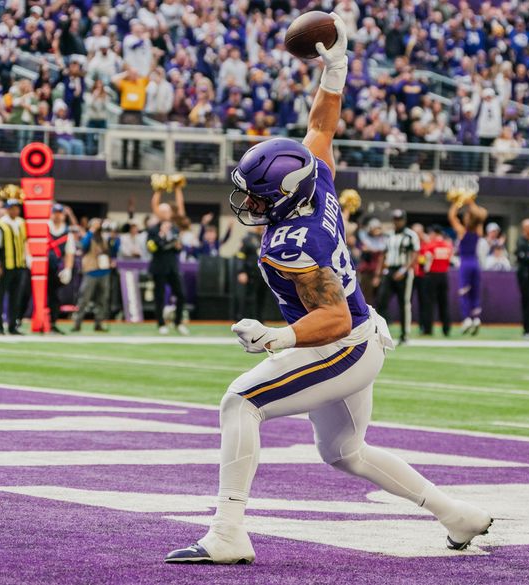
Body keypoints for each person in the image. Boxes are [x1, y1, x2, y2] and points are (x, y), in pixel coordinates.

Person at [166, 14, 491, 565]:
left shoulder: (295, 241)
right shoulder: (313, 178)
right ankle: (456, 514)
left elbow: (332, 319)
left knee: (240, 403)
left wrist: (277, 337)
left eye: (260, 199)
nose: (252, 207)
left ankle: (227, 532)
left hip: (341, 343)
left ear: (285, 198)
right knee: (345, 452)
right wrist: (335, 66)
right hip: (358, 335)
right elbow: (321, 125)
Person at [376, 209, 419, 345]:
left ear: (404, 220)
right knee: (382, 301)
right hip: (390, 270)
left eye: (399, 219)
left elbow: (415, 254)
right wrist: (379, 274)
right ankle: (381, 333)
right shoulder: (388, 235)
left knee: (404, 303)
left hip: (404, 271)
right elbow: (383, 255)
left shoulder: (411, 235)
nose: (397, 221)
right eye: (395, 219)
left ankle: (404, 335)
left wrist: (404, 270)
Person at [0, 199, 28, 335]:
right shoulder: (0, 224)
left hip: (19, 265)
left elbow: (25, 242)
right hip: (5, 265)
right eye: (12, 208)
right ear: (7, 209)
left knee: (16, 297)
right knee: (0, 297)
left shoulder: (22, 223)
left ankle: (12, 326)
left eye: (17, 208)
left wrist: (28, 260)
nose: (15, 210)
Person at [147, 203, 187, 335]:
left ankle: (178, 322)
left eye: (167, 211)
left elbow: (178, 248)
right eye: (162, 211)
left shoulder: (174, 228)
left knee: (180, 294)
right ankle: (161, 323)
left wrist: (178, 246)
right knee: (160, 296)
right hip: (159, 267)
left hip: (172, 267)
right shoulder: (153, 229)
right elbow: (151, 248)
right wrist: (162, 235)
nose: (165, 214)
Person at [448, 198, 487, 335]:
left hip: (465, 263)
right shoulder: (478, 231)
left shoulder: (462, 231)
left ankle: (466, 319)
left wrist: (458, 202)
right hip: (476, 263)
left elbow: (451, 216)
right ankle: (476, 318)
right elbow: (481, 215)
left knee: (464, 293)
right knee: (475, 292)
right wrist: (471, 203)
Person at [72, 218, 117, 333]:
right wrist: (92, 230)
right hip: (91, 271)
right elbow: (83, 245)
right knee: (84, 298)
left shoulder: (105, 238)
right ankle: (77, 323)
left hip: (104, 271)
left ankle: (99, 323)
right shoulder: (89, 237)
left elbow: (114, 248)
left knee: (102, 299)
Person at [418, 225, 453, 336]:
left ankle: (428, 329)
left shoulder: (429, 246)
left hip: (432, 276)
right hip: (444, 276)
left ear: (434, 233)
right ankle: (446, 329)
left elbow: (422, 260)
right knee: (444, 303)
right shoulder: (447, 245)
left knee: (429, 303)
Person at [47, 203, 76, 334]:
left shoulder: (66, 233)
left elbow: (69, 253)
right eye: (55, 213)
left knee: (54, 297)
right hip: (41, 268)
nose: (57, 216)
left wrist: (68, 269)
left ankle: (52, 323)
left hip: (55, 269)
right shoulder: (45, 228)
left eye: (59, 213)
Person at [355, 218, 387, 306]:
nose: (377, 231)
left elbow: (380, 255)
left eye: (378, 228)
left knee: (376, 298)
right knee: (365, 296)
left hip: (377, 272)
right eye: (375, 228)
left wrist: (377, 276)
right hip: (366, 272)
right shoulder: (364, 236)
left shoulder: (382, 239)